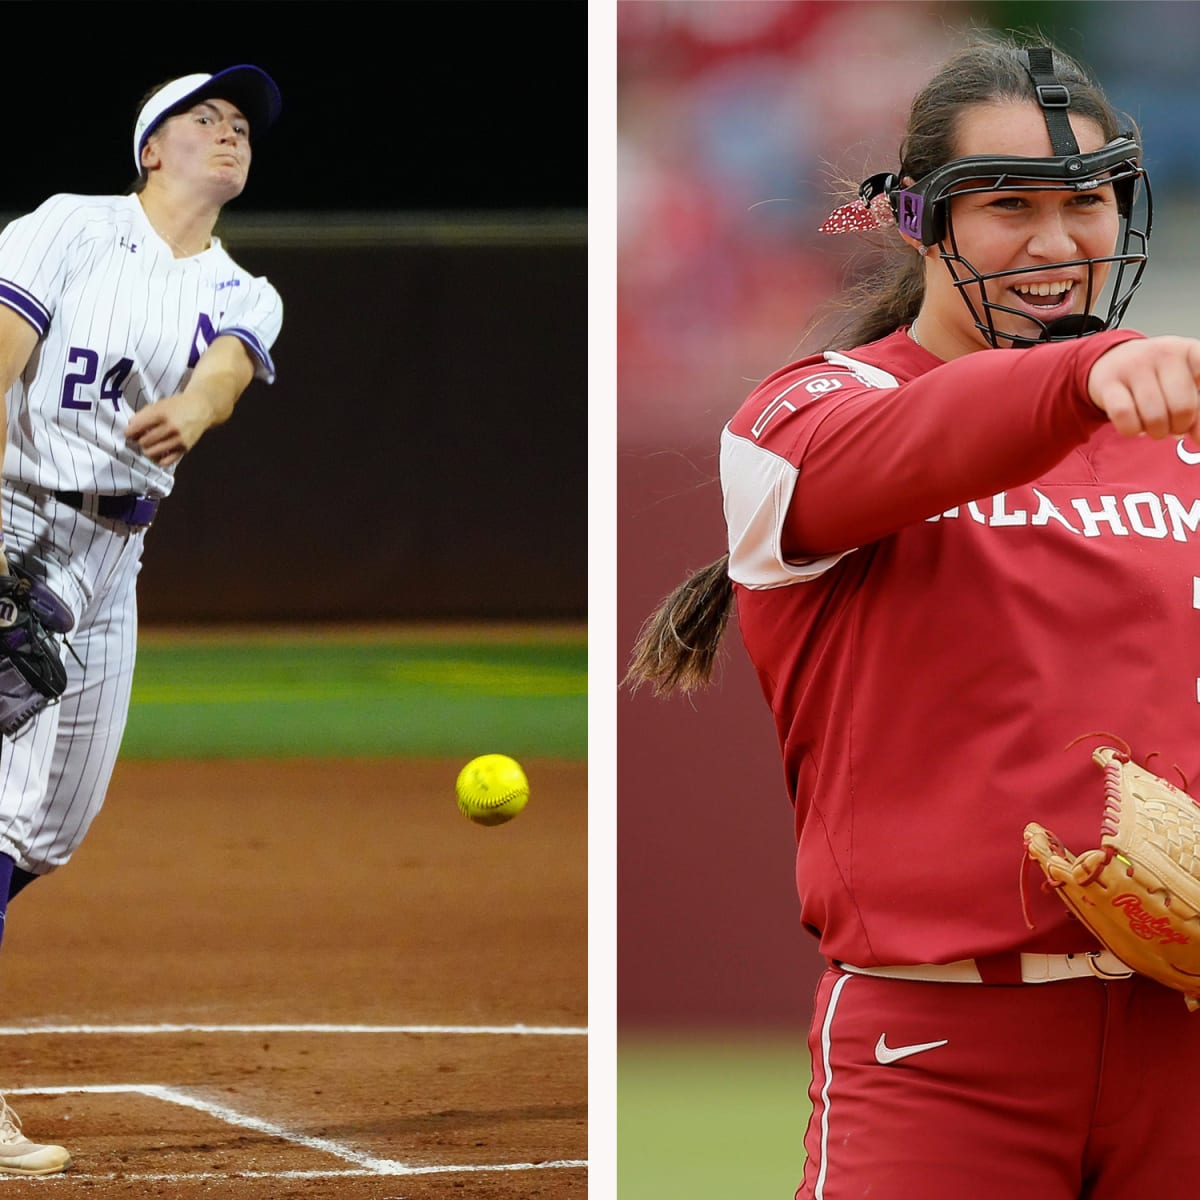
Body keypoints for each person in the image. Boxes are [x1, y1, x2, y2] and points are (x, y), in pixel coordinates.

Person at [625, 34, 1200, 1200]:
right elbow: (916, 443)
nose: (1056, 240)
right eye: (1007, 204)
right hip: (943, 1050)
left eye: (1087, 202)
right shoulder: (808, 414)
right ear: (918, 221)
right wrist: (1083, 375)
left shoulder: (1178, 430)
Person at [0, 65, 283, 1174]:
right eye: (202, 117)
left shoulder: (246, 288)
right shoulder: (69, 228)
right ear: (149, 148)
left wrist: (199, 408)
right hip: (15, 518)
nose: (229, 132)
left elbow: (221, 377)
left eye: (241, 124)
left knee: (45, 831)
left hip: (114, 561)